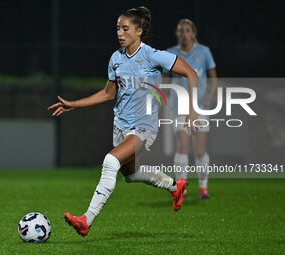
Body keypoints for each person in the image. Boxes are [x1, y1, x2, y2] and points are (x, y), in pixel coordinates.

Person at [48, 7, 200, 237]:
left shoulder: (153, 55)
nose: (120, 33)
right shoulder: (116, 58)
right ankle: (174, 186)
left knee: (110, 161)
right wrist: (74, 104)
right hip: (120, 125)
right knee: (131, 175)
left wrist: (192, 111)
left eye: (125, 28)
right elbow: (108, 93)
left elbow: (191, 73)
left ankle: (86, 219)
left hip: (143, 127)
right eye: (118, 28)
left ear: (139, 31)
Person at [164, 19, 217, 199]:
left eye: (187, 31)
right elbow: (164, 78)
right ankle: (181, 188)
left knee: (199, 150)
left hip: (199, 107)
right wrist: (164, 96)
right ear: (177, 34)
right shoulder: (170, 54)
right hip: (179, 108)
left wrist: (209, 96)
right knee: (182, 146)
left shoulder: (204, 52)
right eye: (181, 31)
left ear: (193, 34)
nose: (184, 34)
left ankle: (203, 186)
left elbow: (213, 77)